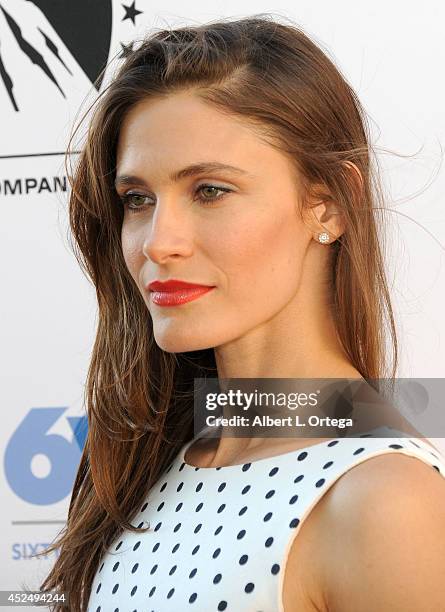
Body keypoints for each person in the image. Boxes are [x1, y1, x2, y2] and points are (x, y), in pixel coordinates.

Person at [40, 14, 445, 612]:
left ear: (328, 207)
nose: (158, 241)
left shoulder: (384, 500)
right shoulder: (147, 465)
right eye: (138, 199)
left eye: (209, 190)